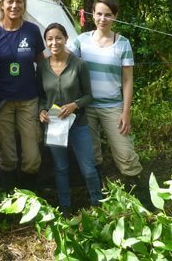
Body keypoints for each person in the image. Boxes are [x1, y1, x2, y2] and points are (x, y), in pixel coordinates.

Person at [69, 0, 143, 185]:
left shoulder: (123, 43)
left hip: (113, 107)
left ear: (115, 16)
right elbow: (61, 60)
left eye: (108, 15)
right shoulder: (81, 41)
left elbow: (127, 79)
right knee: (92, 154)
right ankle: (99, 194)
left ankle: (137, 194)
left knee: (125, 154)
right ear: (92, 14)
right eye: (99, 14)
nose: (103, 19)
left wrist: (126, 112)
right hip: (86, 107)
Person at [0, 0, 45, 191]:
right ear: (1, 4)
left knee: (32, 157)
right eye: (10, 2)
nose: (15, 6)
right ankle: (11, 199)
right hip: (2, 102)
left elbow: (42, 65)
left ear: (24, 5)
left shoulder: (32, 30)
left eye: (19, 2)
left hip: (29, 100)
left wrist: (48, 98)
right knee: (8, 156)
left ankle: (29, 198)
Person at [38, 23, 102, 214]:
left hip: (78, 123)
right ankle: (65, 207)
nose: (54, 42)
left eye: (58, 37)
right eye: (50, 39)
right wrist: (41, 110)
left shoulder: (79, 64)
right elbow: (40, 96)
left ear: (66, 39)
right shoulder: (42, 67)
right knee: (61, 167)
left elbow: (89, 96)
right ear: (46, 42)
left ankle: (98, 205)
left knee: (88, 169)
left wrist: (75, 104)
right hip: (55, 124)